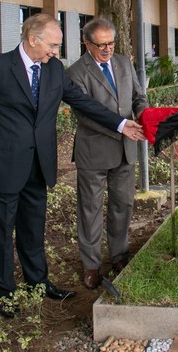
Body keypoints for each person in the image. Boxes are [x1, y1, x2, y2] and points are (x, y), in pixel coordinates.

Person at [0, 13, 144, 318]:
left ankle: (38, 281)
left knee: (32, 227)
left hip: (38, 164)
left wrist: (120, 124)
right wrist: (5, 141)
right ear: (32, 39)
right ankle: (5, 292)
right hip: (2, 164)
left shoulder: (54, 70)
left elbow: (83, 102)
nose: (56, 52)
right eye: (52, 45)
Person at [65, 18, 148, 290]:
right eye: (100, 44)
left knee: (122, 205)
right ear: (86, 44)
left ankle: (120, 256)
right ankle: (91, 265)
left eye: (111, 43)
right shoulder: (76, 72)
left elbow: (138, 95)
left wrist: (144, 114)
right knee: (90, 210)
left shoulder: (124, 63)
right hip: (95, 152)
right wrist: (122, 128)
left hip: (126, 150)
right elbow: (86, 114)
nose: (107, 49)